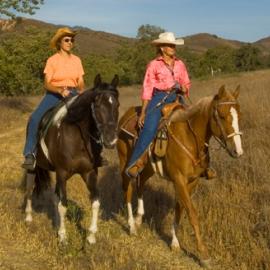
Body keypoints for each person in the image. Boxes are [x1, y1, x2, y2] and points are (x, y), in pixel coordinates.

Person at [125, 32, 191, 178]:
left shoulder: (180, 64)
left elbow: (186, 82)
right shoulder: (154, 65)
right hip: (160, 97)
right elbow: (147, 88)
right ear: (162, 48)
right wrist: (143, 112)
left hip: (178, 97)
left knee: (194, 121)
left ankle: (203, 164)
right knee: (149, 127)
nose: (173, 47)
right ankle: (136, 163)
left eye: (173, 45)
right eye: (169, 45)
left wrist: (185, 87)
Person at [22, 27, 85, 171]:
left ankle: (96, 153)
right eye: (67, 40)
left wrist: (81, 90)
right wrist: (59, 90)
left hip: (74, 93)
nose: (70, 42)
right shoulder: (52, 60)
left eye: (72, 40)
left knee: (93, 115)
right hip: (54, 94)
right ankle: (30, 154)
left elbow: (80, 80)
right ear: (59, 43)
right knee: (34, 118)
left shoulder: (77, 60)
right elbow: (47, 83)